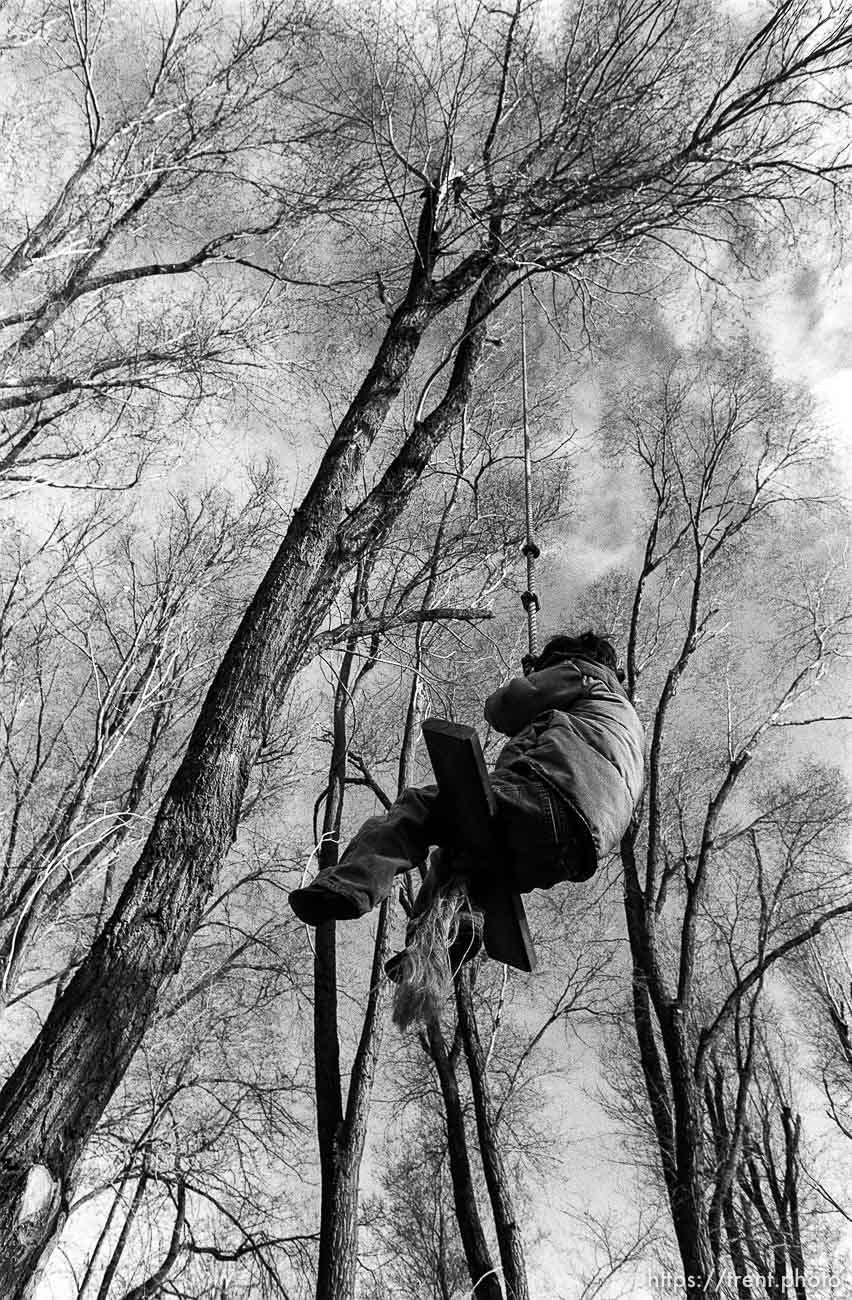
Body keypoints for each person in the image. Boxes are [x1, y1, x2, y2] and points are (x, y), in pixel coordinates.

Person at [289, 631, 645, 959]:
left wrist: (533, 678)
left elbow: (504, 707)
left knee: (419, 807)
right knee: (458, 859)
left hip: (554, 797)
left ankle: (350, 885)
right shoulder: (624, 721)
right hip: (577, 851)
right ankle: (445, 938)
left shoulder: (583, 673)